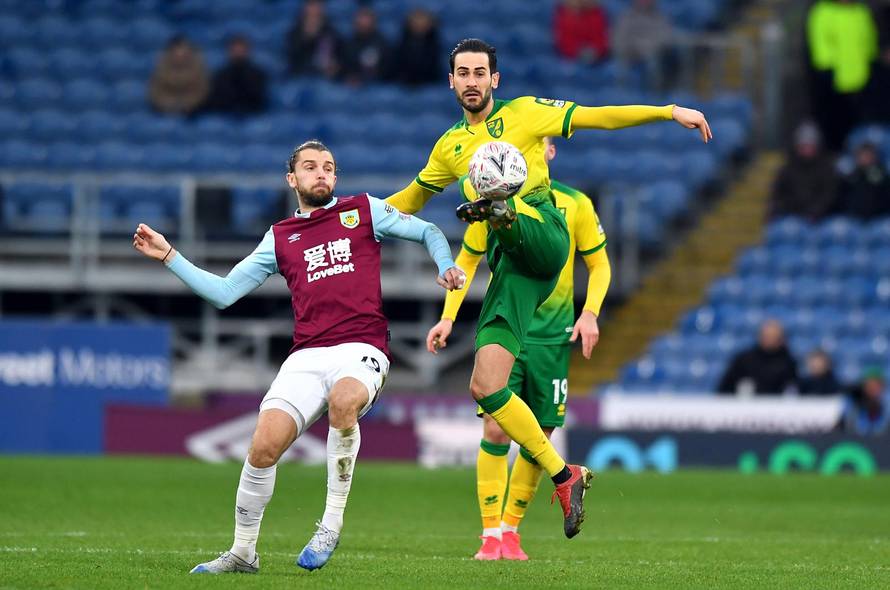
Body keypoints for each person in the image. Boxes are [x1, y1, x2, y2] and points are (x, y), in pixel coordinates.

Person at [385, 38, 711, 538]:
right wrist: (350, 218)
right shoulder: (448, 148)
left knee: (500, 208)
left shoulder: (527, 114)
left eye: (480, 72)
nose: (471, 80)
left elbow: (600, 117)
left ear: (495, 80)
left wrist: (669, 111)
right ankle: (565, 476)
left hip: (543, 234)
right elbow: (407, 199)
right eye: (462, 73)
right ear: (450, 81)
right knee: (485, 387)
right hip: (511, 267)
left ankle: (499, 207)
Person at [133, 141, 465, 574]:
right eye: (310, 167)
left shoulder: (362, 211)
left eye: (328, 167)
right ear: (292, 179)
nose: (321, 173)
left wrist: (444, 262)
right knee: (262, 447)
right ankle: (242, 553)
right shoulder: (280, 238)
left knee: (344, 403)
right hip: (306, 355)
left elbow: (427, 231)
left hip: (361, 347)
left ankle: (330, 522)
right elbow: (223, 293)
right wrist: (170, 256)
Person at [426, 137, 611, 560]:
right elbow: (469, 259)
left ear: (548, 153)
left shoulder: (573, 204)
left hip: (553, 333)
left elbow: (598, 263)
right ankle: (490, 534)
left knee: (539, 434)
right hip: (514, 327)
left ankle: (511, 532)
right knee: (495, 427)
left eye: (538, 146)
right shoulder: (493, 200)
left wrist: (591, 312)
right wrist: (448, 316)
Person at [806, 0, 879, 150]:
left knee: (860, 126)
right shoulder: (823, 11)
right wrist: (827, 71)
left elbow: (869, 40)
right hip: (835, 79)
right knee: (835, 122)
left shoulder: (861, 11)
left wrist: (872, 64)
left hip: (861, 79)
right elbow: (821, 44)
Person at [768, 121, 838, 221]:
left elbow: (828, 196)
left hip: (818, 219)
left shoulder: (826, 170)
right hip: (791, 217)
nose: (807, 150)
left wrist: (814, 213)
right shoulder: (787, 169)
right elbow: (778, 195)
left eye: (810, 146)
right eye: (804, 146)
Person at [717, 320, 798, 395]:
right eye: (767, 336)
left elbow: (793, 389)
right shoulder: (744, 360)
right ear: (760, 336)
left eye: (774, 337)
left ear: (781, 339)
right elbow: (725, 388)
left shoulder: (789, 363)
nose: (770, 340)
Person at [612, 0, 674, 90]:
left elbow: (665, 37)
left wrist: (648, 46)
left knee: (653, 63)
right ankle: (622, 95)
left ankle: (654, 94)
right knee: (618, 67)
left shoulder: (660, 16)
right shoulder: (626, 16)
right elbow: (619, 37)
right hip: (629, 52)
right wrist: (630, 47)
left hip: (651, 52)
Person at [149, 35, 210, 116]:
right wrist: (168, 104)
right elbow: (155, 92)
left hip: (193, 112)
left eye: (182, 49)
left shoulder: (199, 68)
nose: (180, 52)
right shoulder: (160, 68)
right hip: (163, 111)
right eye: (177, 49)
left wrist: (187, 104)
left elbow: (202, 90)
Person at [207, 35, 268, 115]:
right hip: (226, 115)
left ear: (247, 51)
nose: (238, 53)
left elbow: (259, 99)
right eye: (235, 50)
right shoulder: (220, 75)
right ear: (229, 52)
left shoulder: (258, 74)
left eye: (241, 50)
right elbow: (219, 100)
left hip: (252, 114)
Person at [286, 0, 342, 79]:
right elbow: (292, 57)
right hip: (299, 75)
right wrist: (308, 37)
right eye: (311, 5)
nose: (314, 9)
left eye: (318, 5)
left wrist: (335, 66)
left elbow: (338, 55)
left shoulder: (330, 32)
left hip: (323, 77)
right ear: (305, 8)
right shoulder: (294, 32)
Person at [836, 142, 890, 219]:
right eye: (863, 155)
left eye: (869, 155)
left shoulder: (881, 174)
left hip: (878, 217)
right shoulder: (852, 175)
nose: (866, 158)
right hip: (853, 217)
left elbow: (882, 197)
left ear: (875, 157)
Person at [342, 5, 391, 85]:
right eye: (360, 18)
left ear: (373, 21)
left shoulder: (382, 43)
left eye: (366, 18)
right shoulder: (348, 43)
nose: (363, 22)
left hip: (377, 83)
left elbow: (388, 68)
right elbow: (345, 66)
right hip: (353, 85)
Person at [393, 8, 441, 86]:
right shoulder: (402, 43)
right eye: (416, 21)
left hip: (429, 82)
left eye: (422, 21)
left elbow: (434, 68)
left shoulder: (435, 43)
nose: (419, 24)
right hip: (405, 83)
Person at [839, 367, 888, 435]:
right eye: (870, 385)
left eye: (877, 385)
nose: (873, 388)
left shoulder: (885, 407)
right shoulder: (853, 406)